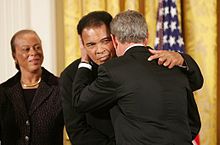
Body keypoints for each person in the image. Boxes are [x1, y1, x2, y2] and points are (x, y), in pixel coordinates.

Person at [61, 11, 203, 145]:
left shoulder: (161, 61)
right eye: (91, 44)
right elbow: (77, 130)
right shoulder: (71, 75)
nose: (100, 50)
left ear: (114, 38)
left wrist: (182, 58)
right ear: (82, 45)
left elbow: (190, 117)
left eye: (105, 41)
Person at [0, 30, 64, 145]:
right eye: (26, 49)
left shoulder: (59, 87)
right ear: (14, 55)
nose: (34, 53)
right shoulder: (4, 91)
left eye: (37, 47)